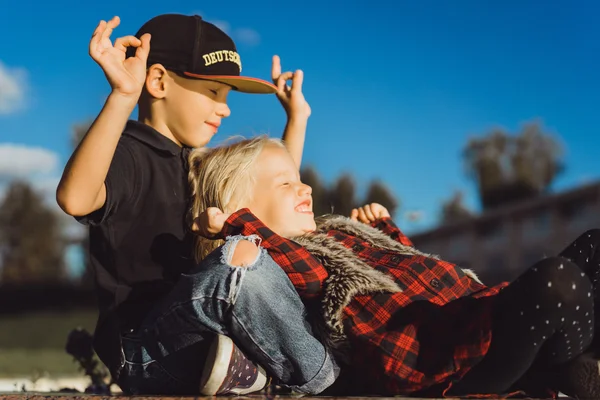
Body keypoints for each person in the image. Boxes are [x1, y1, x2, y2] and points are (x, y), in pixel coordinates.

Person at [188, 135, 600, 399]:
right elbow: (314, 277)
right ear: (244, 210)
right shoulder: (286, 259)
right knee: (556, 283)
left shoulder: (337, 233)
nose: (306, 187)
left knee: (594, 244)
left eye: (298, 178)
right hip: (443, 355)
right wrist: (234, 224)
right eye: (285, 183)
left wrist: (385, 229)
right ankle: (563, 370)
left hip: (468, 311)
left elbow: (413, 269)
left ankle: (565, 369)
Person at [55, 13, 333, 395]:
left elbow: (269, 194)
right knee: (240, 259)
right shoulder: (128, 154)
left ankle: (261, 373)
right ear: (158, 82)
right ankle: (325, 381)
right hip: (148, 351)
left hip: (210, 336)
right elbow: (75, 198)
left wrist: (297, 118)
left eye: (227, 97)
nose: (226, 108)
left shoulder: (199, 163)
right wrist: (123, 96)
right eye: (214, 92)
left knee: (259, 253)